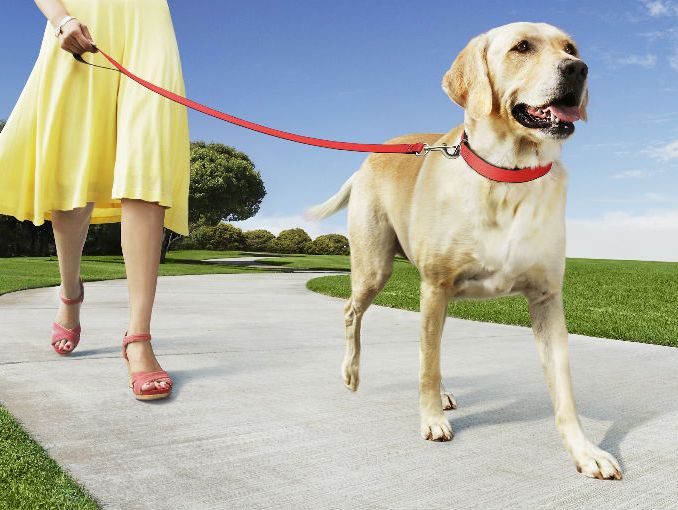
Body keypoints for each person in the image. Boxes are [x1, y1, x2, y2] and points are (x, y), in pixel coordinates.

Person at [0, 0, 191, 400]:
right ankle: (70, 293)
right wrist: (60, 18)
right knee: (72, 178)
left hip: (148, 22)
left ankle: (138, 336)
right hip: (78, 20)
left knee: (147, 162)